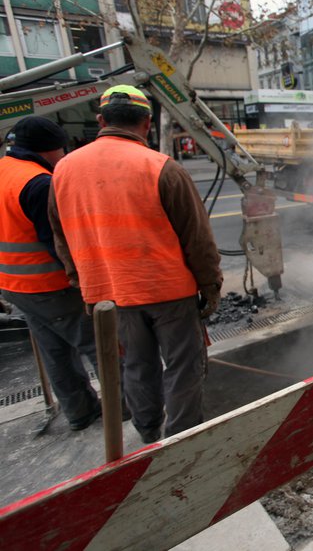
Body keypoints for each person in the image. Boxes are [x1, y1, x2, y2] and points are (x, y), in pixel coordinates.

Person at [48, 85, 223, 444]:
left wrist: (82, 285)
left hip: (109, 296)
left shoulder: (63, 171)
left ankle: (147, 434)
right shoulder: (161, 167)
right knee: (183, 368)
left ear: (100, 120)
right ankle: (181, 440)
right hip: (168, 292)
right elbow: (198, 240)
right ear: (147, 123)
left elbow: (61, 238)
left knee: (135, 367)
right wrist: (210, 287)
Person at [0, 117, 102, 431]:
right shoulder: (39, 183)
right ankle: (127, 405)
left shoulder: (4, 170)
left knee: (54, 351)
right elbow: (58, 245)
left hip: (14, 285)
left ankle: (80, 412)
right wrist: (89, 284)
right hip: (50, 285)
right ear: (50, 149)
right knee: (102, 345)